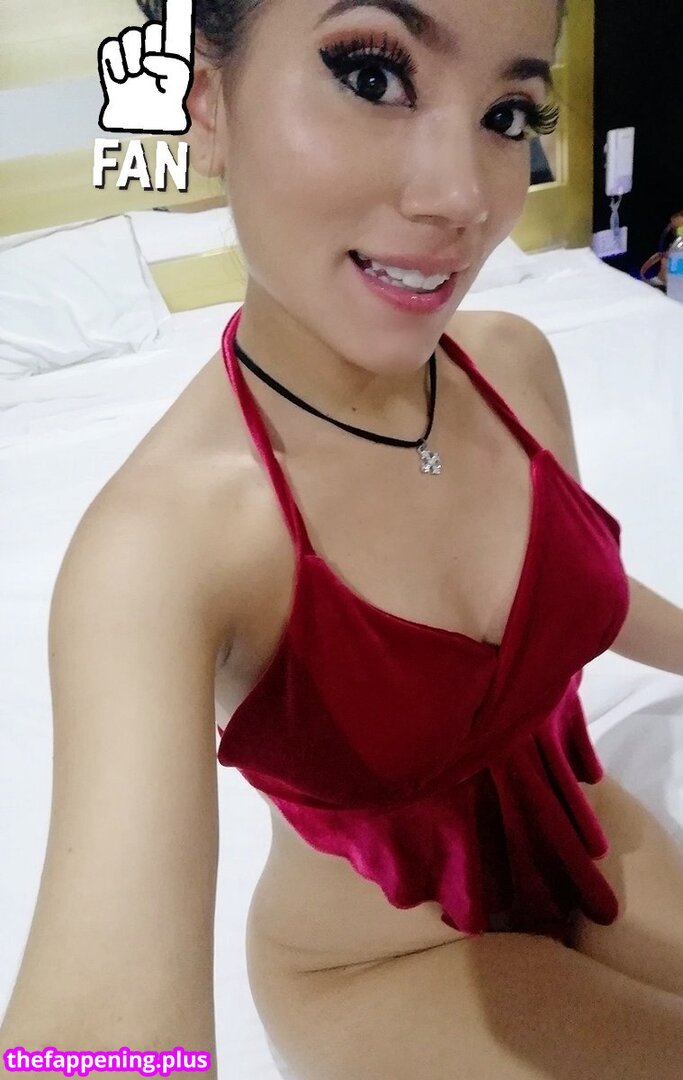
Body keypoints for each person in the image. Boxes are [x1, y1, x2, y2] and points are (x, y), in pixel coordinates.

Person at [2, 1, 683, 1078]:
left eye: (507, 113)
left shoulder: (512, 363)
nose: (461, 197)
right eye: (372, 76)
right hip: (379, 964)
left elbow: (578, 591)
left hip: (589, 827)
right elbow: (96, 1024)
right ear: (207, 106)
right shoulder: (163, 546)